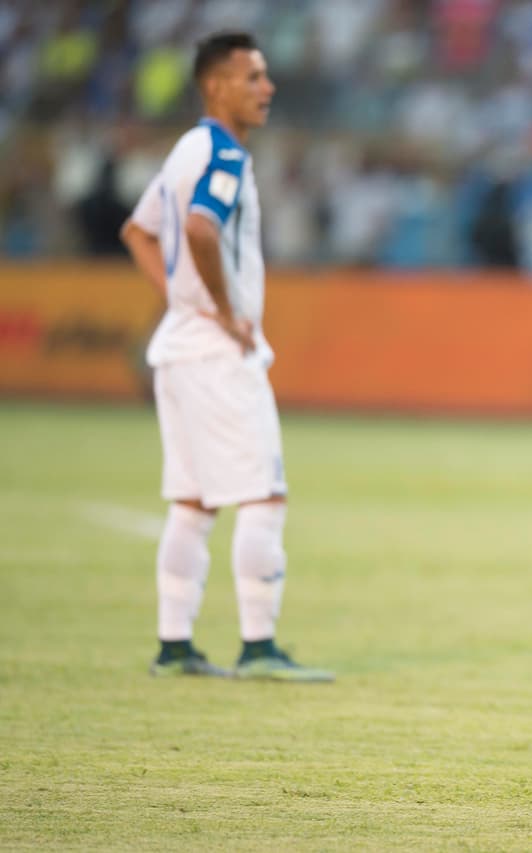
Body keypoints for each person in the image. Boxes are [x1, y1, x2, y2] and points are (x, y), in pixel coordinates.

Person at [120, 31, 332, 682]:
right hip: (215, 352)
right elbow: (199, 229)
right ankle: (258, 645)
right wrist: (221, 310)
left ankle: (175, 644)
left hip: (178, 349)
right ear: (216, 85)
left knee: (192, 501)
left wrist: (183, 300)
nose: (266, 88)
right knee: (264, 494)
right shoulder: (225, 155)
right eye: (253, 77)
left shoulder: (185, 148)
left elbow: (137, 230)